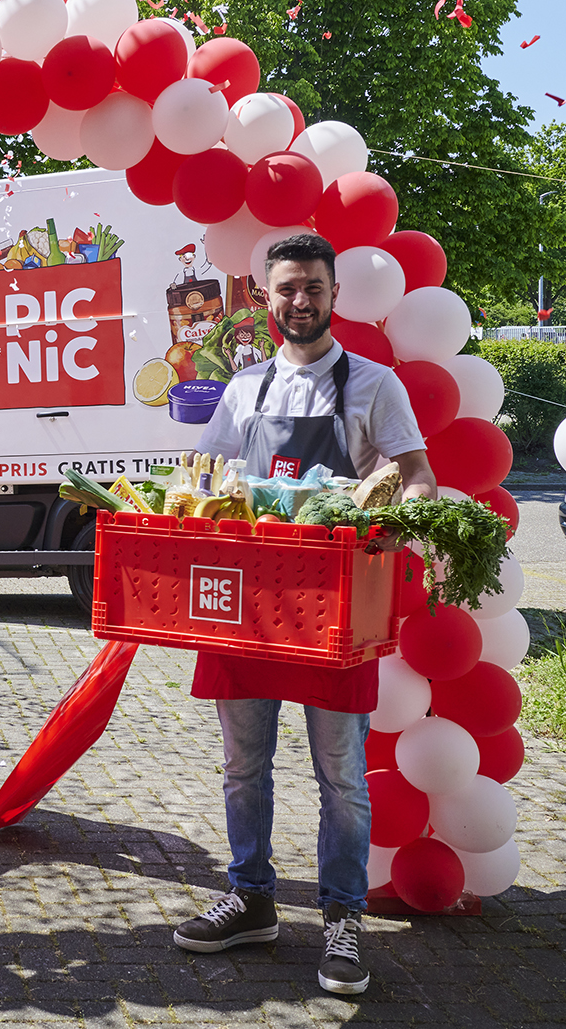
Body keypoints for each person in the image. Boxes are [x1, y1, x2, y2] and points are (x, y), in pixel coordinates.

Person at [174, 233, 437, 995]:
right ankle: (251, 898)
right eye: (285, 288)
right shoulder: (242, 389)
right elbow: (205, 474)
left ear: (333, 295)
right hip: (249, 608)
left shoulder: (374, 384)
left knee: (341, 778)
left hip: (334, 612)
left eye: (312, 288)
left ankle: (342, 918)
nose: (299, 301)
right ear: (264, 298)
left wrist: (397, 522)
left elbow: (415, 474)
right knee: (241, 767)